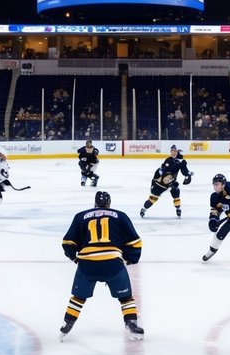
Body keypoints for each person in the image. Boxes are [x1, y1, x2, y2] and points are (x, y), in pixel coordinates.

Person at [59, 191, 145, 340]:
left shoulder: (81, 216)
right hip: (113, 264)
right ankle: (131, 324)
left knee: (78, 298)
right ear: (109, 204)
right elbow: (135, 242)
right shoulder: (120, 215)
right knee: (126, 298)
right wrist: (130, 259)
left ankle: (67, 324)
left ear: (95, 204)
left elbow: (67, 243)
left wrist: (75, 258)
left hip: (87, 265)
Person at [139, 144, 192, 217]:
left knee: (175, 189)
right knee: (154, 197)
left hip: (171, 181)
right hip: (162, 182)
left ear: (178, 152)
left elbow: (184, 170)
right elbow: (161, 171)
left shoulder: (182, 161)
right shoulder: (168, 160)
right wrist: (153, 182)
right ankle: (144, 209)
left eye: (175, 151)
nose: (173, 153)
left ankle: (178, 208)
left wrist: (187, 175)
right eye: (172, 151)